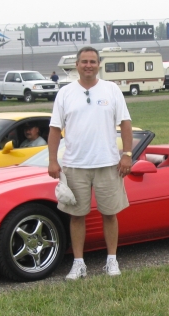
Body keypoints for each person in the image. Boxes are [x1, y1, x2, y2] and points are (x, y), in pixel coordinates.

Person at [48, 46, 133, 280]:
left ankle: (112, 261)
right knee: (77, 216)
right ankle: (78, 264)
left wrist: (127, 154)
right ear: (76, 65)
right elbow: (55, 129)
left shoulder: (112, 90)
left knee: (110, 214)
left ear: (99, 65)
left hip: (108, 163)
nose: (88, 65)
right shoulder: (65, 93)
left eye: (92, 61)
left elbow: (125, 123)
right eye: (84, 61)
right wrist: (52, 160)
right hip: (75, 165)